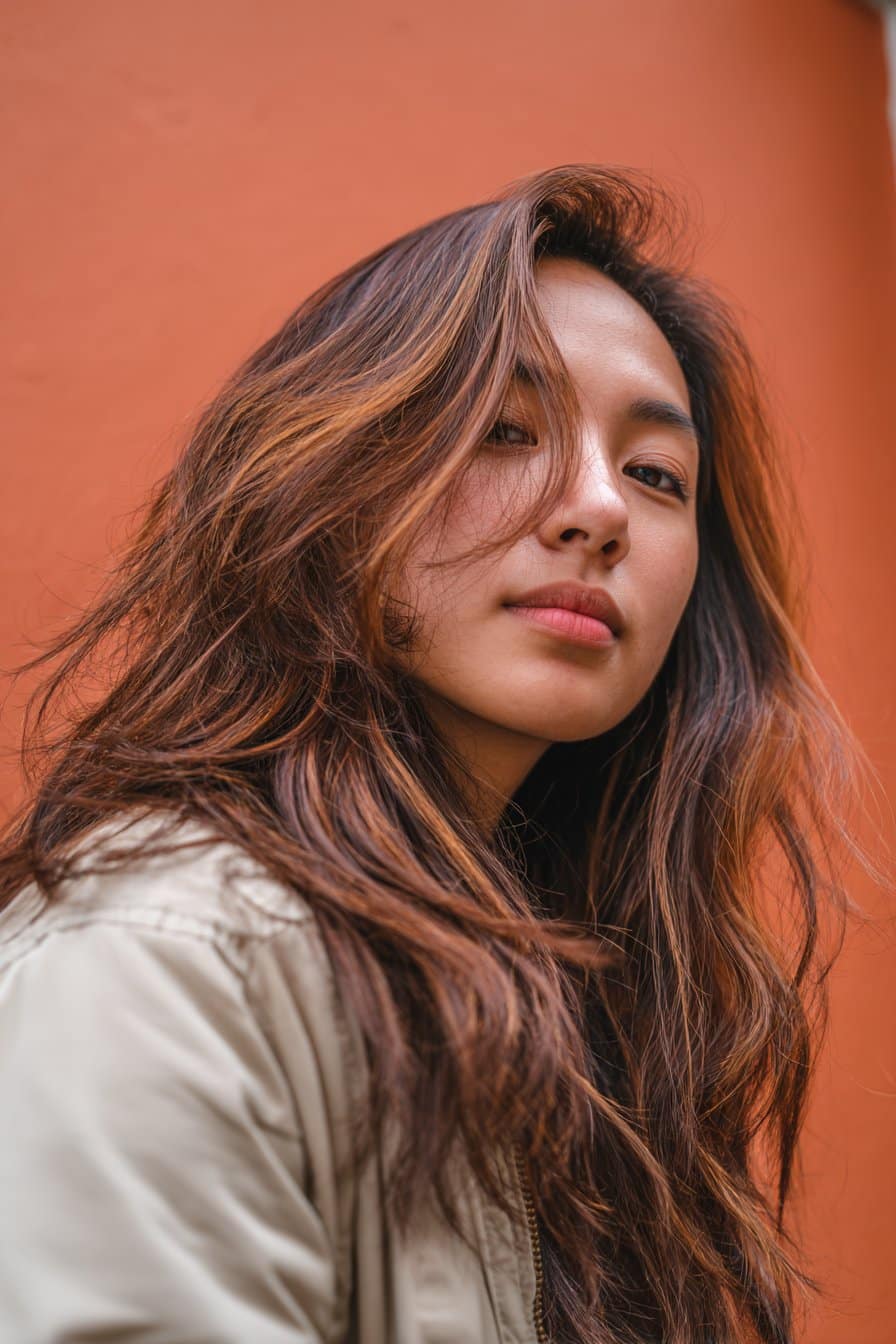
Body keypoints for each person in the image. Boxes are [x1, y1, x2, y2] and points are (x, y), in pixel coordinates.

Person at [0, 164, 879, 1344]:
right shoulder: (169, 962)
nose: (597, 508)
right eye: (505, 430)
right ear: (333, 482)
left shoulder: (572, 1006)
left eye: (654, 475)